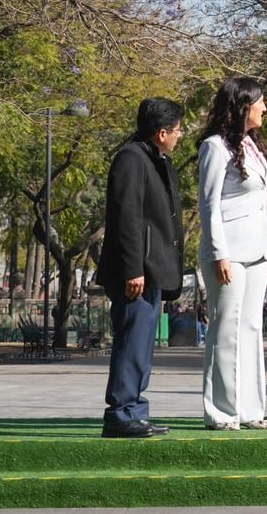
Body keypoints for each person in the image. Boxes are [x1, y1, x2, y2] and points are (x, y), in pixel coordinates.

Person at [97, 98, 185, 439]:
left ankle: (134, 409)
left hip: (154, 270)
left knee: (142, 344)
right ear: (161, 133)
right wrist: (133, 269)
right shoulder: (131, 159)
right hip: (137, 272)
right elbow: (126, 218)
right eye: (177, 130)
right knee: (131, 341)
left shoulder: (154, 160)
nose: (179, 136)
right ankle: (120, 413)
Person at [197, 76, 267, 431]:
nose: (265, 108)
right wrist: (218, 254)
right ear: (243, 105)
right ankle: (221, 412)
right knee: (225, 329)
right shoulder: (214, 147)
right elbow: (209, 204)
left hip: (257, 249)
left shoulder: (252, 145)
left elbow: (261, 201)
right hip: (228, 251)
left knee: (250, 328)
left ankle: (250, 410)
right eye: (260, 102)